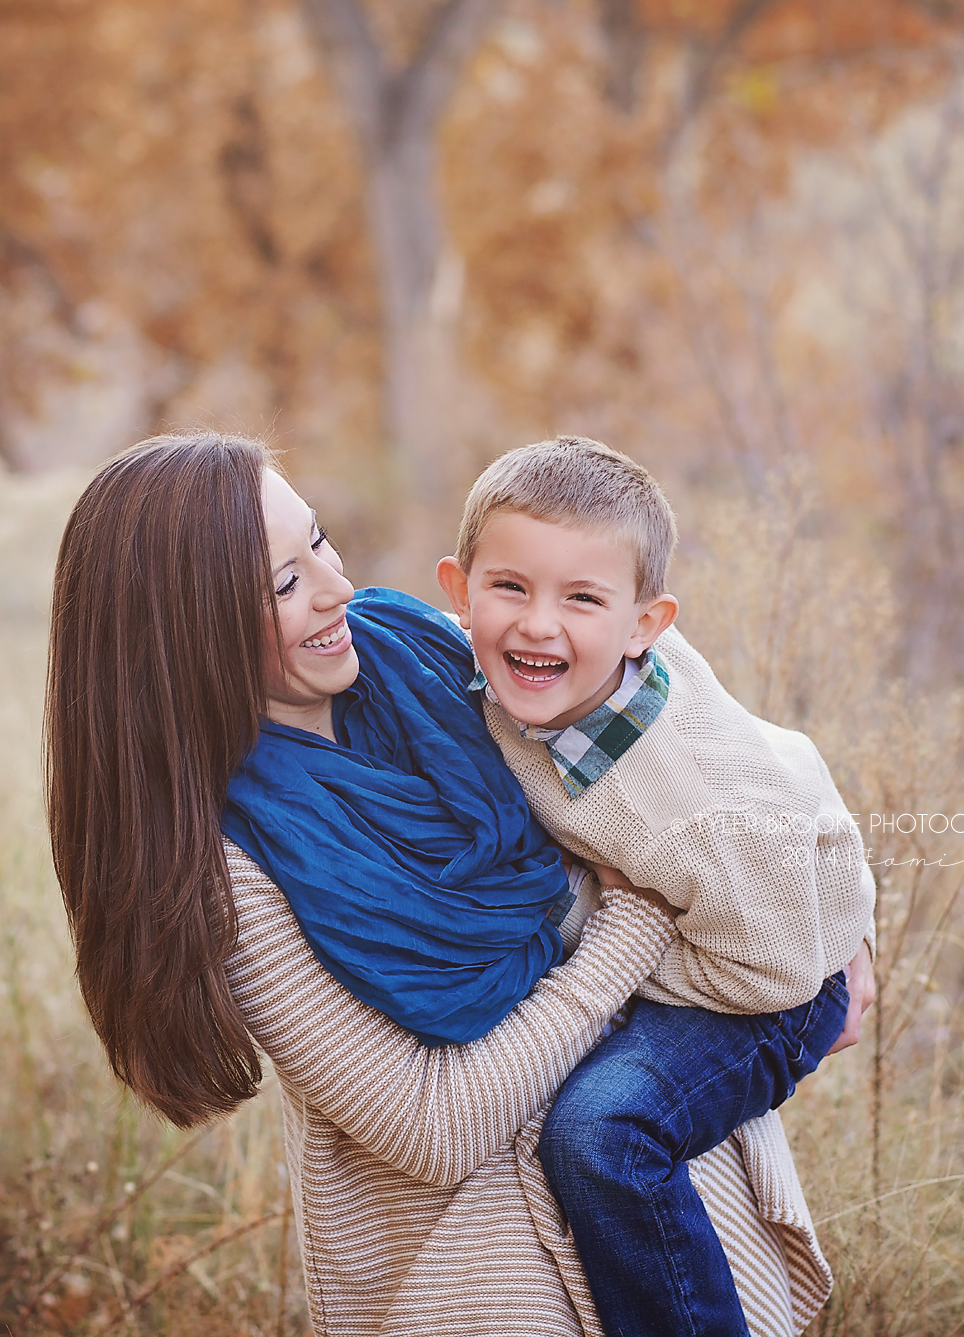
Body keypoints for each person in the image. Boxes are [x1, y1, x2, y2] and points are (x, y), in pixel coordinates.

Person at [44, 432, 858, 1337]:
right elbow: (433, 1126)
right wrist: (634, 922)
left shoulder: (427, 655)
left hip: (673, 1221)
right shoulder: (223, 872)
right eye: (283, 582)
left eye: (317, 541)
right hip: (478, 1274)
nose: (334, 587)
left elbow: (730, 752)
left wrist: (844, 926)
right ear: (182, 629)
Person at [434, 436, 878, 1337]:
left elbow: (773, 964)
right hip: (735, 911)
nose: (536, 624)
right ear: (458, 588)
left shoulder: (692, 805)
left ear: (646, 623)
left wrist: (601, 944)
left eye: (582, 600)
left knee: (600, 1131)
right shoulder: (506, 672)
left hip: (776, 975)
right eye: (510, 586)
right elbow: (786, 747)